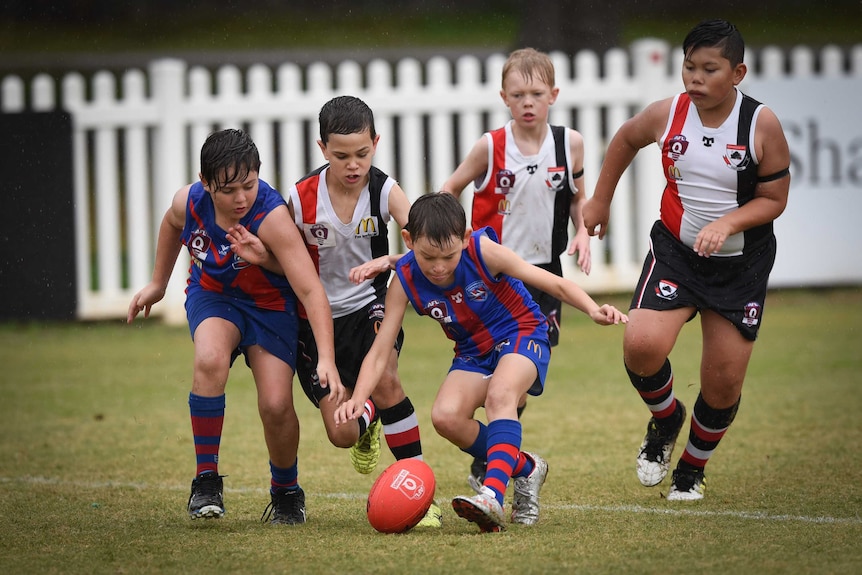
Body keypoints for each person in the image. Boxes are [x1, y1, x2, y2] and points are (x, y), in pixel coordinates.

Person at [582, 19, 790, 501]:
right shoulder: (667, 113)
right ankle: (665, 419)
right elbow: (626, 139)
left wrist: (729, 223)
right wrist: (600, 200)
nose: (695, 78)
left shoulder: (761, 124)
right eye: (689, 66)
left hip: (741, 266)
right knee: (641, 345)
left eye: (709, 69)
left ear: (737, 73)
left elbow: (775, 198)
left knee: (722, 383)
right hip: (676, 253)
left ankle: (690, 470)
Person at [334, 192, 627, 532]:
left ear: (466, 237)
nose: (440, 267)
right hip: (473, 352)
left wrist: (593, 309)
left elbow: (554, 284)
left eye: (449, 256)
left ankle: (492, 494)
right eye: (429, 257)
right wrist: (358, 400)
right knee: (445, 417)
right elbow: (381, 349)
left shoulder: (483, 252)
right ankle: (526, 468)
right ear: (408, 240)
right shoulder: (405, 279)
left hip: (522, 331)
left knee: (500, 396)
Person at [227, 95, 442, 527]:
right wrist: (260, 255)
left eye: (362, 153)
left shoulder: (385, 190)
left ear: (376, 143)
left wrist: (387, 261)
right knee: (342, 433)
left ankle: (421, 495)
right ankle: (367, 420)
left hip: (371, 307)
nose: (353, 165)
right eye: (341, 155)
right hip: (315, 320)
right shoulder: (301, 199)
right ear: (322, 148)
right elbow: (287, 261)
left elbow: (428, 239)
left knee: (385, 378)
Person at [127, 128, 342, 525]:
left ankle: (286, 492)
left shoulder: (272, 216)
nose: (241, 198)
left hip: (270, 304)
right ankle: (206, 482)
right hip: (214, 295)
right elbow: (172, 224)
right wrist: (158, 284)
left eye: (249, 184)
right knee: (209, 360)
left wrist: (325, 357)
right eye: (229, 190)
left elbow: (311, 290)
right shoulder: (188, 201)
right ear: (206, 184)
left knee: (276, 404)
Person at [440, 47, 592, 486]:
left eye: (537, 93)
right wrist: (457, 243)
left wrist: (581, 231)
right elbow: (450, 188)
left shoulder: (570, 144)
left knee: (516, 375)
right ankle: (494, 455)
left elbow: (579, 198)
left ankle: (493, 450)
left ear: (554, 95)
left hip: (544, 273)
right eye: (518, 94)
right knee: (499, 367)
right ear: (504, 97)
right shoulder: (491, 145)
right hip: (494, 275)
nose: (528, 102)